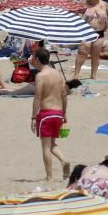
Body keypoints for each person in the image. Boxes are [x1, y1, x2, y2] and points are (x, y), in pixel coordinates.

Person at [32, 46, 70, 182]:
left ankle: (49, 177)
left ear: (37, 59)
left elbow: (37, 97)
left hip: (46, 114)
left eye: (33, 57)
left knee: (45, 147)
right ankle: (64, 160)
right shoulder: (58, 74)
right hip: (58, 113)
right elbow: (64, 95)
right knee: (53, 144)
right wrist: (64, 113)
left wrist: (33, 117)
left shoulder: (40, 76)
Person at [74, 0, 108, 81]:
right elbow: (74, 12)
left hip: (99, 33)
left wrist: (107, 23)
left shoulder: (104, 5)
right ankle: (76, 75)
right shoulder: (84, 4)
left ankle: (93, 75)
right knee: (82, 53)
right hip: (86, 32)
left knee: (95, 56)